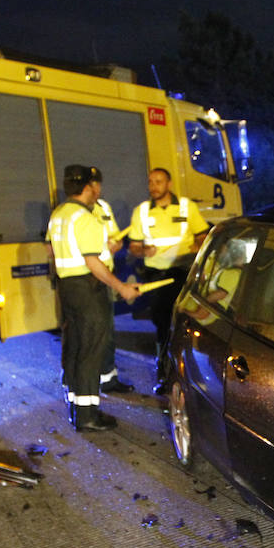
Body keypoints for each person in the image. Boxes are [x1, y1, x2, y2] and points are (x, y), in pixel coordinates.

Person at [48, 164, 140, 432]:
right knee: (91, 350)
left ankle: (78, 407)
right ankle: (88, 415)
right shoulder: (85, 217)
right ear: (89, 187)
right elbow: (92, 262)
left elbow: (54, 253)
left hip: (68, 287)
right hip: (88, 290)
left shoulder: (59, 214)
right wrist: (121, 287)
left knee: (76, 346)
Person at [126, 166, 209, 392]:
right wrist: (143, 251)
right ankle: (164, 374)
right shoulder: (141, 211)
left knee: (184, 323)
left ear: (169, 184)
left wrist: (196, 245)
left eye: (158, 182)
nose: (153, 186)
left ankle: (190, 373)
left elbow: (203, 235)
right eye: (151, 182)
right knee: (162, 324)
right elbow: (133, 246)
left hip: (183, 273)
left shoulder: (186, 207)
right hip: (157, 277)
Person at [92, 194, 135, 394]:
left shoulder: (103, 206)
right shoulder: (75, 212)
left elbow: (114, 236)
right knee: (87, 334)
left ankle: (108, 378)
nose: (95, 190)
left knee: (107, 331)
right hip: (87, 279)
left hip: (104, 276)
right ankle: (81, 384)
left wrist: (115, 245)